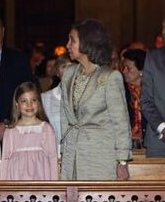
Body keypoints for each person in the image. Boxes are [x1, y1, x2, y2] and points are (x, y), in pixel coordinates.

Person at [60, 19, 132, 180]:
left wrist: (122, 161)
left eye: (72, 40)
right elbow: (65, 116)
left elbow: (120, 123)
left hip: (100, 158)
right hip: (71, 157)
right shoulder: (68, 74)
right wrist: (64, 150)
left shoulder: (110, 77)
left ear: (87, 43)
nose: (67, 45)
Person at [0, 82, 57, 180]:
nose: (29, 104)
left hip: (41, 184)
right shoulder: (11, 131)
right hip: (17, 185)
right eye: (24, 101)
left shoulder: (46, 129)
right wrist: (3, 189)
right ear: (17, 104)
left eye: (33, 100)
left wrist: (54, 188)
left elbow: (53, 159)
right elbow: (5, 161)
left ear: (38, 102)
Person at [141, 17, 165, 158]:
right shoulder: (153, 58)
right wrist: (162, 128)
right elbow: (146, 101)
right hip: (160, 144)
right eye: (162, 27)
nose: (162, 32)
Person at [41, 55, 72, 158]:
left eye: (71, 66)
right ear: (57, 72)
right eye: (64, 66)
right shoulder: (45, 98)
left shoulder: (87, 97)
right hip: (55, 157)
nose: (68, 70)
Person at [122, 49, 147, 149]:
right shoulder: (120, 90)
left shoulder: (152, 92)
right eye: (123, 67)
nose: (124, 71)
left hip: (148, 143)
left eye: (128, 68)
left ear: (141, 71)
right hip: (126, 144)